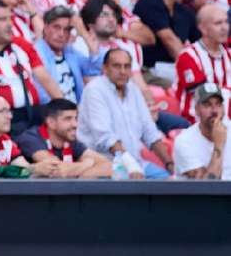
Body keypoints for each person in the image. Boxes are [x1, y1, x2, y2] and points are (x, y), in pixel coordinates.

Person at [0, 0, 63, 134]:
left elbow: (46, 80)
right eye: (3, 19)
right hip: (0, 122)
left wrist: (65, 111)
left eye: (10, 19)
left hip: (32, 116)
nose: (10, 24)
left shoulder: (22, 46)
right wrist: (4, 115)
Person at [77, 48, 173, 178]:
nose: (122, 71)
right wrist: (131, 167)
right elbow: (105, 138)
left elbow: (150, 131)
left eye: (127, 66)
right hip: (105, 166)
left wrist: (169, 164)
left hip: (137, 164)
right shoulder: (94, 90)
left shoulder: (133, 90)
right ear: (105, 68)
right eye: (117, 66)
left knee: (172, 184)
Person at [133, 0, 200, 73]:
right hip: (149, 71)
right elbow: (170, 41)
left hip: (174, 68)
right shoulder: (149, 3)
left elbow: (199, 43)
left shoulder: (185, 11)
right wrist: (195, 70)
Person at [16, 98, 113, 178]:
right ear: (51, 122)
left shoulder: (69, 139)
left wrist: (81, 175)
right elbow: (56, 170)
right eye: (68, 119)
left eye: (76, 118)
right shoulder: (31, 138)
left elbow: (108, 165)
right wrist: (86, 164)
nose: (75, 124)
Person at [175, 4, 231, 123]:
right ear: (203, 28)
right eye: (218, 23)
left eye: (226, 22)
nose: (224, 27)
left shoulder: (229, 54)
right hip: (196, 123)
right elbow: (205, 94)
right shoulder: (188, 56)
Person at [34, 6, 97, 105]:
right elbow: (42, 97)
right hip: (53, 113)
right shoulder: (36, 53)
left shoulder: (69, 51)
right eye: (56, 27)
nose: (61, 34)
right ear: (45, 27)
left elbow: (95, 70)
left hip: (76, 112)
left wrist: (84, 34)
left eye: (67, 29)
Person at [174, 83, 231, 180]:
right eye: (207, 105)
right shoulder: (184, 142)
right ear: (196, 110)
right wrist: (218, 145)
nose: (214, 111)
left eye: (218, 104)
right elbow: (207, 188)